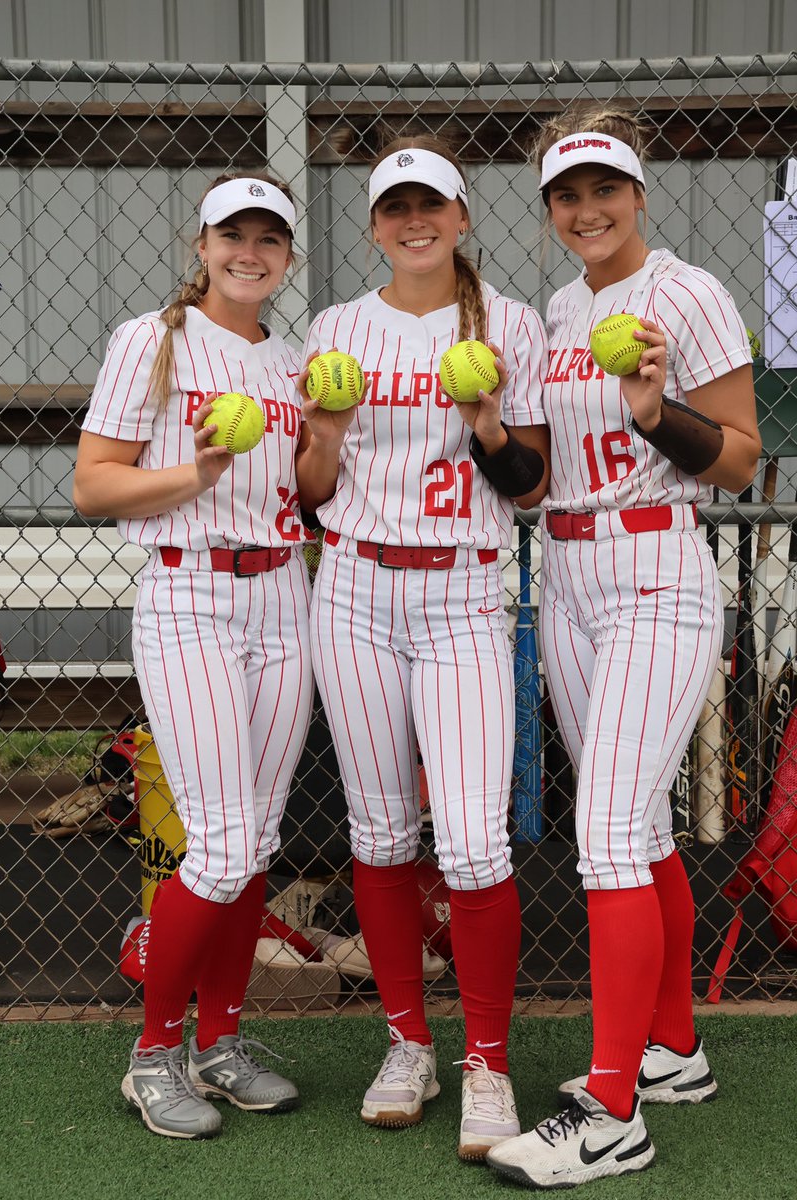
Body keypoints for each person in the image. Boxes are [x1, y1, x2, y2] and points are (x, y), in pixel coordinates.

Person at [486, 109, 761, 1189]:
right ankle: (672, 1051)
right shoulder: (562, 307)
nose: (585, 209)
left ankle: (610, 1111)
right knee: (636, 827)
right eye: (565, 194)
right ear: (549, 208)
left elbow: (736, 462)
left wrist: (653, 413)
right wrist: (488, 432)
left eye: (604, 187)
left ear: (637, 193)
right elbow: (542, 470)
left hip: (654, 569)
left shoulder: (687, 292)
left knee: (601, 830)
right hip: (569, 571)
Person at [73, 174, 348, 1139]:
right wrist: (200, 470)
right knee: (223, 844)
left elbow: (313, 495)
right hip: (189, 593)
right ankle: (152, 1055)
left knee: (257, 845)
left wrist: (329, 436)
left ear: (287, 257)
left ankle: (221, 1043)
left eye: (270, 238)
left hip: (284, 594)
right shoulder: (153, 342)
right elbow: (93, 486)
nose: (251, 251)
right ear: (201, 244)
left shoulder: (294, 356)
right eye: (234, 233)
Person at [301, 136, 550, 1161]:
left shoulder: (510, 325)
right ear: (373, 225)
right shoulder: (335, 328)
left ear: (460, 218)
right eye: (395, 207)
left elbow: (530, 487)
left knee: (475, 842)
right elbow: (312, 491)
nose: (414, 222)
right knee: (378, 833)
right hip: (352, 586)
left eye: (431, 206)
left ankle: (484, 1060)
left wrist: (488, 426)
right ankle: (405, 1042)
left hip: (456, 592)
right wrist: (321, 427)